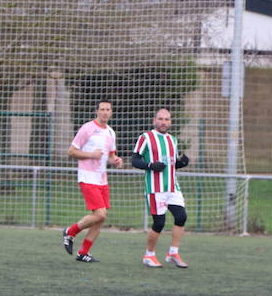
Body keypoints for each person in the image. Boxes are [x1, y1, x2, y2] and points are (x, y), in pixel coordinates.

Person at [61, 99, 122, 262]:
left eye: (108, 109)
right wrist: (91, 155)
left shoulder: (111, 132)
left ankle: (83, 253)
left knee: (101, 217)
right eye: (102, 109)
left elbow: (109, 156)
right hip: (87, 177)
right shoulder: (87, 128)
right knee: (100, 213)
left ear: (111, 112)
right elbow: (71, 151)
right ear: (97, 111)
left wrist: (115, 160)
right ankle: (70, 231)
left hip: (102, 179)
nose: (105, 112)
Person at [131, 107, 191, 268]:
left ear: (170, 122)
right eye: (160, 119)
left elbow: (171, 164)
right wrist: (150, 165)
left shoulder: (173, 140)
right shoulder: (146, 138)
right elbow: (135, 160)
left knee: (181, 217)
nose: (163, 122)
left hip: (172, 186)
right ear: (154, 121)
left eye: (167, 119)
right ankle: (148, 255)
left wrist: (181, 163)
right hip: (155, 188)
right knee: (159, 222)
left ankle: (173, 253)